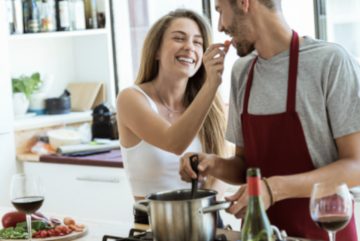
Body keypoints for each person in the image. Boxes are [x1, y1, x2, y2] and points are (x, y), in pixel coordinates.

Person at [179, 0, 360, 240]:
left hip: (325, 230)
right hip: (259, 234)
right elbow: (246, 166)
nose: (221, 26)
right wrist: (213, 164)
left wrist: (273, 189)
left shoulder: (330, 62)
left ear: (244, 3)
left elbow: (356, 166)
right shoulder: (242, 72)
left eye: (221, 11)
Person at [116, 8, 230, 220]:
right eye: (179, 38)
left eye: (197, 42)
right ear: (156, 51)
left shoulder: (212, 107)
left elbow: (221, 169)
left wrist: (204, 214)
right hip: (154, 224)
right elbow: (174, 143)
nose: (189, 47)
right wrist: (212, 84)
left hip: (204, 218)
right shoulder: (131, 98)